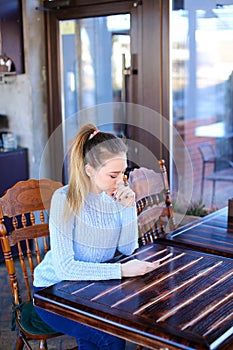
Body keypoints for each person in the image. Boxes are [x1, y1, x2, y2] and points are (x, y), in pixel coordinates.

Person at [33, 123, 159, 350]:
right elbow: (65, 269)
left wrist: (128, 208)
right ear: (89, 169)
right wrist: (119, 271)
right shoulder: (65, 200)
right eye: (113, 175)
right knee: (111, 336)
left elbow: (128, 249)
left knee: (102, 334)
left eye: (123, 173)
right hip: (53, 293)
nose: (120, 181)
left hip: (91, 288)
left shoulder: (114, 198)